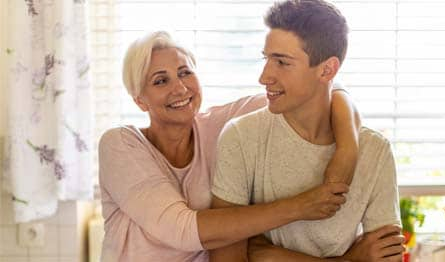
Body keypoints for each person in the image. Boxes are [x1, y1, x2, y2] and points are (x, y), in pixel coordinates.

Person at [98, 30, 362, 261]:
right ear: (140, 101)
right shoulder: (120, 144)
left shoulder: (220, 126)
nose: (179, 88)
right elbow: (182, 230)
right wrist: (301, 206)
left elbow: (319, 89)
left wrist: (347, 150)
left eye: (184, 73)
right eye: (160, 80)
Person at [210, 0, 404, 261]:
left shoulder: (375, 150)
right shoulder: (241, 137)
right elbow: (227, 257)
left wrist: (265, 254)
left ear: (327, 69)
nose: (264, 77)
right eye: (266, 58)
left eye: (282, 62)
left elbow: (385, 255)